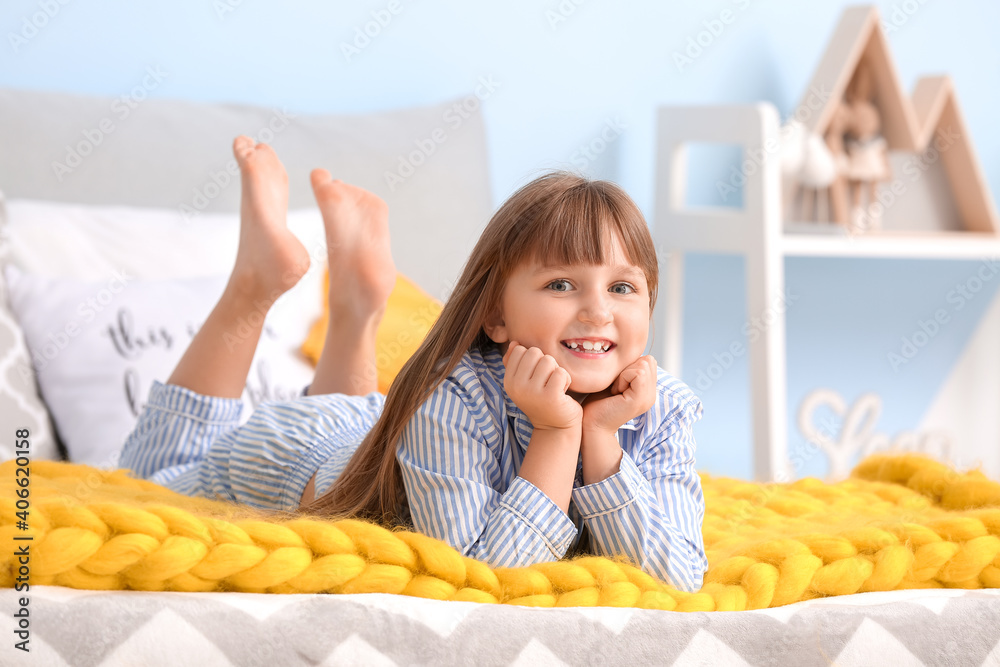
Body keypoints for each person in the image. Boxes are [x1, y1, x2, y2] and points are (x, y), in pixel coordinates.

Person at [121, 136, 708, 592]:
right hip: (300, 456)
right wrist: (558, 432)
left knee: (358, 415)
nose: (597, 312)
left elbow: (679, 574)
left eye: (624, 288)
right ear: (495, 316)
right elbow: (484, 576)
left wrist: (600, 440)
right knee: (156, 472)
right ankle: (254, 284)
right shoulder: (448, 399)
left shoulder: (664, 405)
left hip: (377, 431)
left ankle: (355, 301)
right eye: (562, 284)